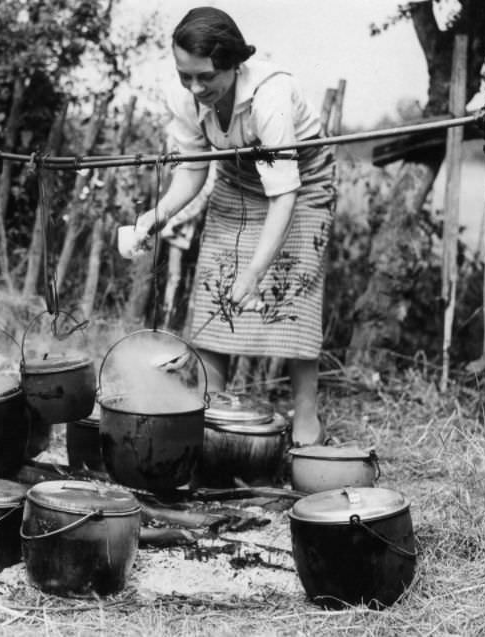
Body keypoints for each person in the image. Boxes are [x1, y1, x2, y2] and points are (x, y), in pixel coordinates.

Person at [132, 7, 336, 447]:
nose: (195, 87)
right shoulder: (186, 96)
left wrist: (256, 271)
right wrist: (156, 215)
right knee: (214, 293)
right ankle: (211, 414)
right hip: (236, 179)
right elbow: (192, 170)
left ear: (234, 63)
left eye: (205, 76)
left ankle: (306, 417)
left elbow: (285, 193)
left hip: (302, 185)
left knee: (291, 296)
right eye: (185, 75)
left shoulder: (271, 95)